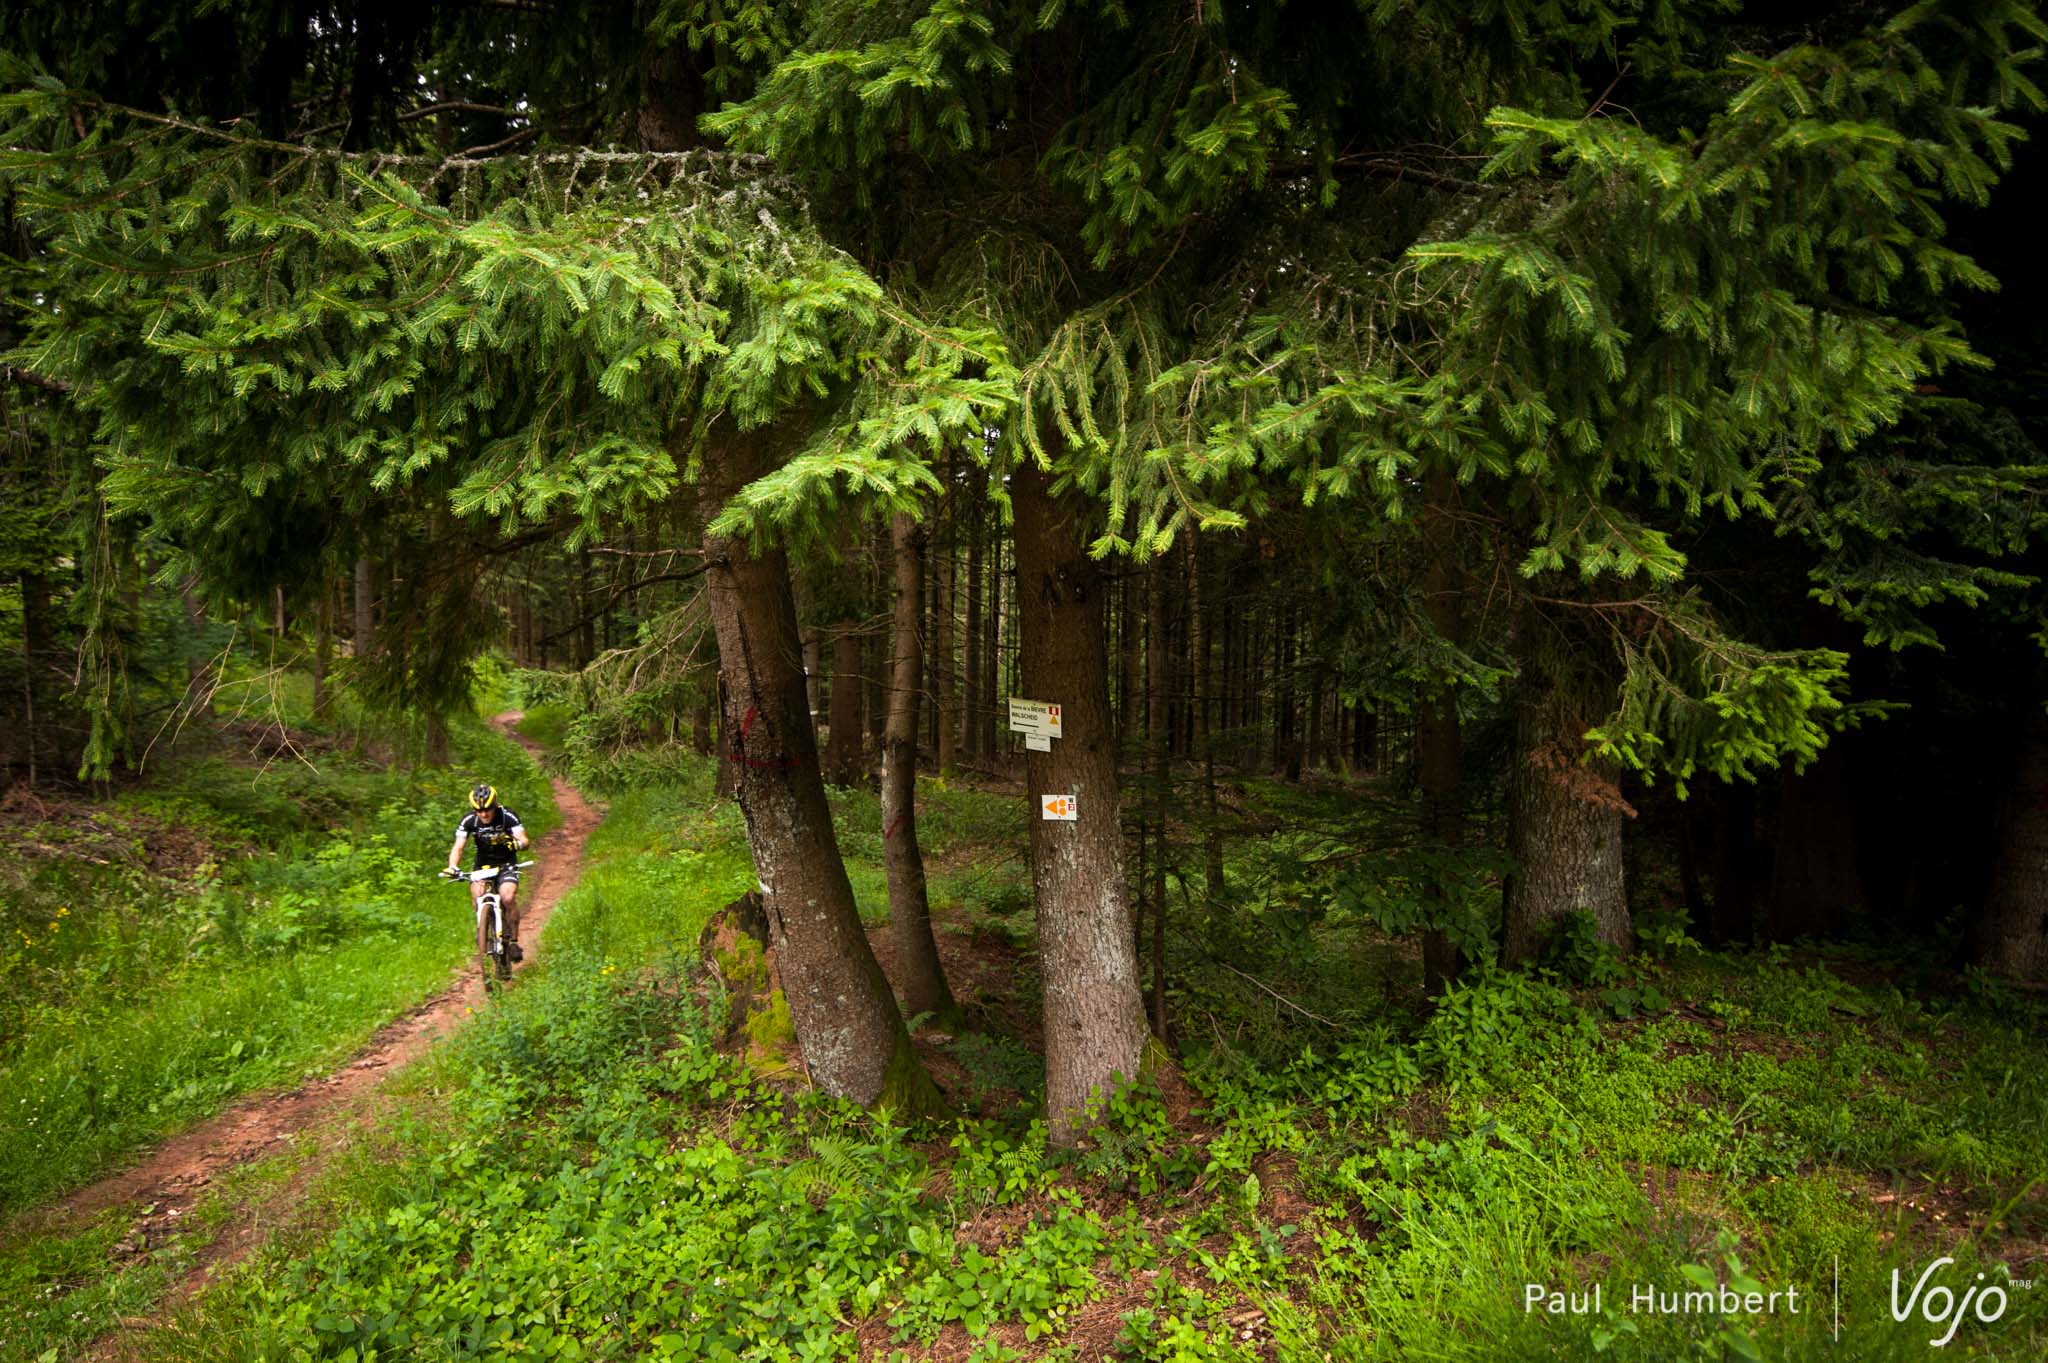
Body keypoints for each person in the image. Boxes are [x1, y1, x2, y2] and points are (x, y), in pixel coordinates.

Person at [446, 783, 530, 975]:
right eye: (479, 810)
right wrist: (453, 867)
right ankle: (484, 928)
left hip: (506, 864)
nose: (483, 814)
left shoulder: (507, 816)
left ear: (495, 805)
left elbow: (524, 840)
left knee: (507, 897)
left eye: (487, 810)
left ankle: (514, 942)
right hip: (482, 865)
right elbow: (458, 847)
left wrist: (516, 844)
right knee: (477, 894)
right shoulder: (469, 820)